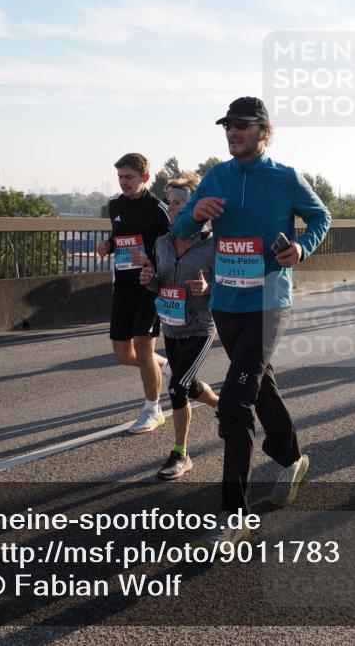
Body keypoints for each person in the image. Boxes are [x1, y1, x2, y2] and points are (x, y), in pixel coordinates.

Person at [173, 96, 330, 543]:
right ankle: (292, 457)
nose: (232, 132)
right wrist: (194, 215)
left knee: (237, 399)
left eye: (241, 125)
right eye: (227, 125)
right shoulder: (217, 176)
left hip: (269, 302)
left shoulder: (285, 177)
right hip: (226, 302)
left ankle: (232, 511)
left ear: (264, 131)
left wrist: (301, 247)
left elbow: (321, 217)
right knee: (259, 385)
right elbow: (181, 229)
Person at [139, 173, 220, 481]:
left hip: (200, 326)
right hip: (171, 326)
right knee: (190, 385)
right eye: (169, 202)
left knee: (176, 387)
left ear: (195, 206)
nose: (170, 208)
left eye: (177, 203)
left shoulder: (213, 245)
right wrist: (150, 281)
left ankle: (180, 454)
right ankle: (219, 405)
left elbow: (228, 284)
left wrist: (207, 287)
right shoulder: (162, 243)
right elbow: (161, 284)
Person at [95, 153, 171, 434]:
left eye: (129, 177)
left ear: (145, 178)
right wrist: (108, 246)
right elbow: (120, 237)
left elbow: (172, 247)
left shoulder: (159, 209)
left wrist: (150, 257)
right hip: (123, 287)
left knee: (142, 349)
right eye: (120, 177)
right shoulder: (115, 204)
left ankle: (153, 409)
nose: (124, 182)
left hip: (149, 287)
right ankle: (163, 364)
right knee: (123, 354)